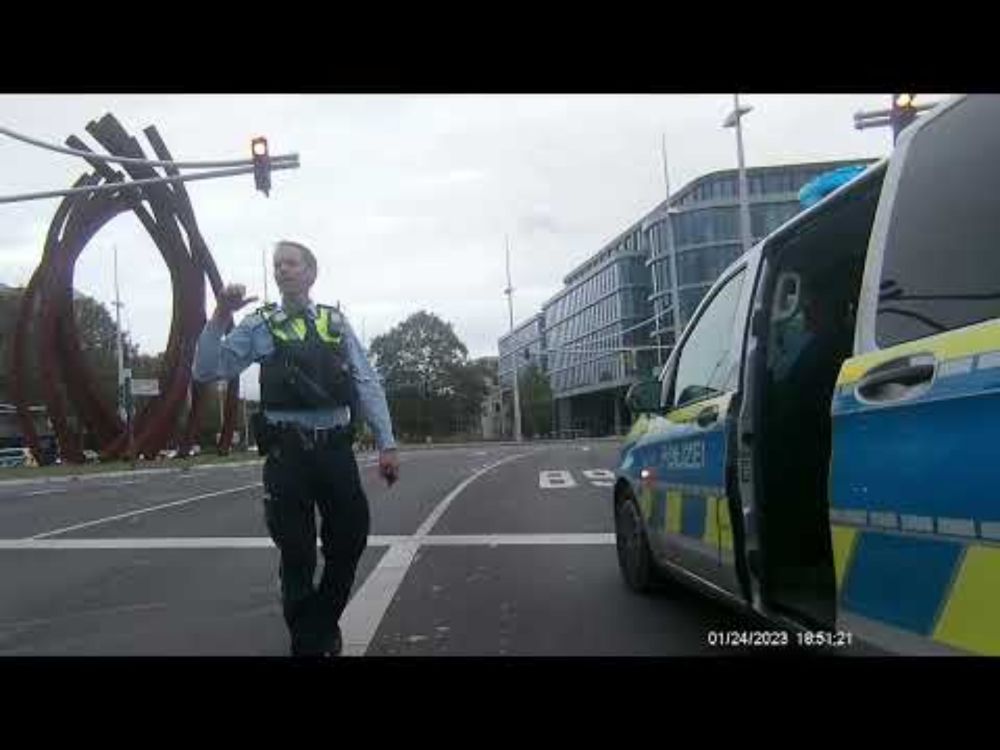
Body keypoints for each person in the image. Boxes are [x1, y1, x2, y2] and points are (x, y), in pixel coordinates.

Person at [193, 239, 400, 656]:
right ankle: (312, 643)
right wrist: (219, 316)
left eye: (291, 263)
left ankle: (317, 626)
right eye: (277, 265)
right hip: (287, 457)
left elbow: (366, 381)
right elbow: (206, 370)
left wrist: (386, 443)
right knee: (297, 552)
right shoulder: (259, 324)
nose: (282, 270)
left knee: (350, 540)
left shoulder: (335, 322)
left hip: (334, 452)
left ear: (310, 273)